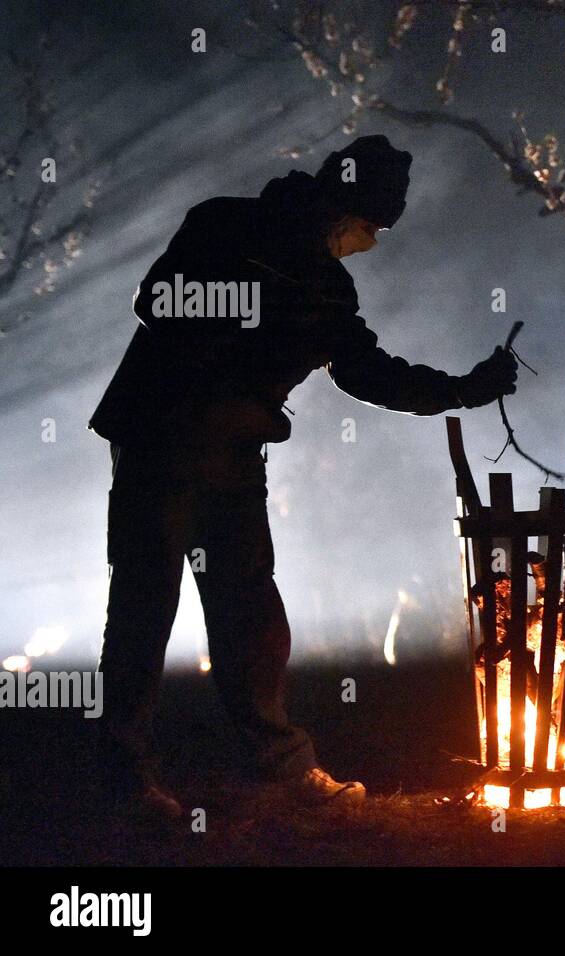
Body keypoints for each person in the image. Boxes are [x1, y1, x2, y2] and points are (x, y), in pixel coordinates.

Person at [89, 135, 517, 819]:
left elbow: (369, 373)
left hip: (230, 453)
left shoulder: (321, 283)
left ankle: (277, 767)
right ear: (343, 211)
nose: (368, 243)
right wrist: (265, 304)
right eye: (370, 228)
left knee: (251, 614)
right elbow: (158, 301)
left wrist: (466, 389)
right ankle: (123, 777)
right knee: (145, 606)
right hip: (162, 439)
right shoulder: (225, 226)